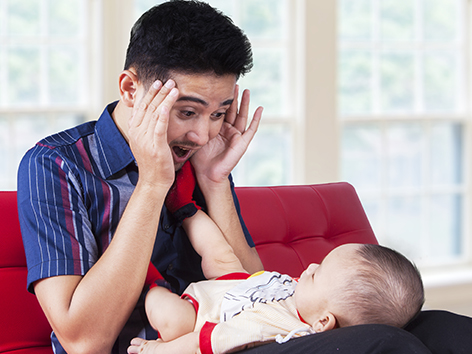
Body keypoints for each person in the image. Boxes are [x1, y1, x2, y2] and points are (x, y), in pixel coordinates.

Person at [17, 1, 264, 354]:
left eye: (219, 113)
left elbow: (258, 294)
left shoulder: (202, 157)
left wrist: (215, 182)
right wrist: (151, 185)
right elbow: (84, 342)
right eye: (188, 112)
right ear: (131, 89)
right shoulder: (56, 165)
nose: (203, 135)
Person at [128, 164, 425, 354]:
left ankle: (146, 273)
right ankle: (185, 208)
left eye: (317, 274)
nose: (308, 267)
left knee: (172, 319)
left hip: (204, 314)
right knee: (222, 256)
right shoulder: (310, 299)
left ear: (323, 322)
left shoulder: (274, 330)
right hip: (240, 284)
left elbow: (205, 341)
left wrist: (156, 351)